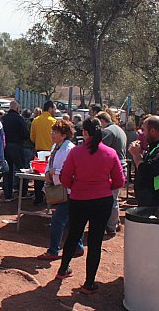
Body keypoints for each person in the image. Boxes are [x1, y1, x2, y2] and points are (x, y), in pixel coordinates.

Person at [55, 118, 125, 294]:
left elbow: (64, 177)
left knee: (73, 235)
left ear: (84, 133)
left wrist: (77, 186)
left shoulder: (76, 152)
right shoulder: (110, 153)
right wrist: (104, 186)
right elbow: (119, 180)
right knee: (95, 241)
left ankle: (63, 269)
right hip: (102, 201)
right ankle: (89, 282)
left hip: (79, 199)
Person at [38, 120, 84, 260]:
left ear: (64, 135)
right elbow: (50, 162)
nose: (52, 134)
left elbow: (71, 170)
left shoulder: (69, 149)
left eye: (55, 132)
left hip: (69, 190)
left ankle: (53, 251)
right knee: (71, 220)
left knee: (58, 220)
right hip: (60, 188)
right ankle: (78, 247)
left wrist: (54, 172)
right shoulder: (56, 146)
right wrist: (48, 173)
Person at [95, 111, 127, 235]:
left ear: (102, 121)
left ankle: (110, 227)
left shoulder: (107, 132)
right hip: (120, 166)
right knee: (114, 198)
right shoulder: (119, 129)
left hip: (112, 168)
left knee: (110, 199)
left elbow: (100, 149)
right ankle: (114, 223)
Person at [2, 101, 30, 201]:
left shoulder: (3, 118)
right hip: (17, 146)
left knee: (7, 172)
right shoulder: (19, 119)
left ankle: (8, 195)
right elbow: (26, 134)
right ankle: (23, 192)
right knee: (23, 169)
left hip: (5, 147)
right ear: (17, 108)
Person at [30, 100, 57, 205]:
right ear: (50, 109)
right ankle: (51, 199)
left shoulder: (36, 120)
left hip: (39, 152)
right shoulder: (54, 122)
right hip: (51, 153)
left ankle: (38, 199)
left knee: (37, 177)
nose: (55, 110)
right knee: (50, 176)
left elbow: (32, 137)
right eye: (54, 108)